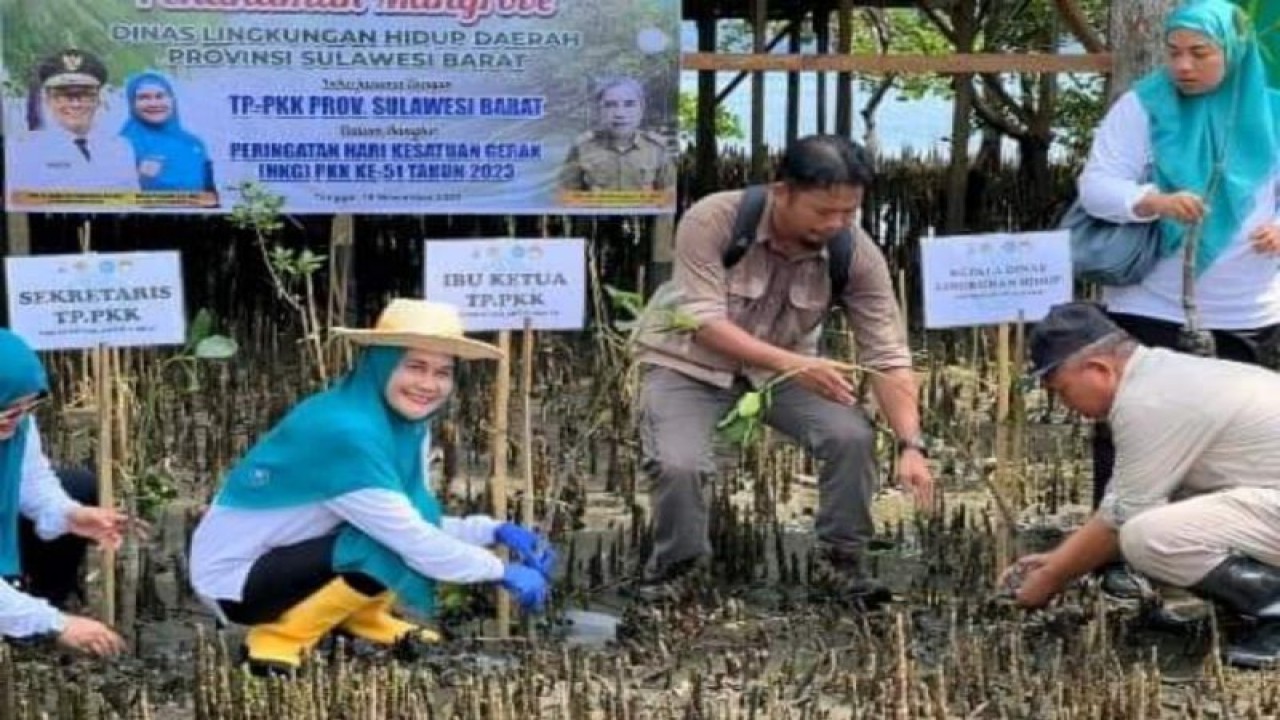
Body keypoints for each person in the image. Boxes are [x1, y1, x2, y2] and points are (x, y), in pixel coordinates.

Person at [631, 134, 933, 603]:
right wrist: (795, 362)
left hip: (780, 376)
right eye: (823, 211)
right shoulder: (713, 219)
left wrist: (910, 444)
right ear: (782, 192)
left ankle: (841, 564)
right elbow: (701, 321)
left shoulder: (855, 252)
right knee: (679, 463)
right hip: (688, 364)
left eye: (848, 213)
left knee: (851, 436)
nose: (835, 224)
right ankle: (677, 571)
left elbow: (887, 354)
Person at [189, 300, 555, 674]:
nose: (428, 385)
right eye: (415, 367)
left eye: (443, 372)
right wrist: (499, 571)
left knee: (382, 537)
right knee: (383, 546)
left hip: (287, 556)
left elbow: (410, 515)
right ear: (381, 364)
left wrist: (492, 531)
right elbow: (411, 539)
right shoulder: (347, 433)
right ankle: (278, 638)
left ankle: (359, 617)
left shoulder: (400, 425)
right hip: (235, 584)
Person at [1074, 0, 1280, 596]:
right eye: (1174, 53)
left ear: (1233, 53)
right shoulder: (1143, 104)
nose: (1183, 66)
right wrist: (1152, 201)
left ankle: (1222, 557)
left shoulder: (1271, 106)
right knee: (1129, 425)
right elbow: (1096, 186)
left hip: (1249, 306)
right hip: (1150, 299)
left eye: (1200, 53)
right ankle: (1114, 557)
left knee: (1237, 437)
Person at [1004, 301, 1280, 669]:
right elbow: (1123, 500)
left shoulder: (1149, 401)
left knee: (1145, 535)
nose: (1065, 405)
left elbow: (1121, 519)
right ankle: (1247, 610)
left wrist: (1051, 578)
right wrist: (1057, 559)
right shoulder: (1163, 376)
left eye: (1063, 390)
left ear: (1098, 369)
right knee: (1167, 508)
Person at [0, 329, 136, 657]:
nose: (17, 421)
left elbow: (33, 481)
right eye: (8, 410)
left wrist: (71, 515)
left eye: (28, 408)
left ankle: (33, 600)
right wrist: (55, 623)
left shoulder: (19, 426)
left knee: (78, 485)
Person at [10, 49, 139, 193]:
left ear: (98, 99)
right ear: (48, 99)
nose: (75, 104)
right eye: (63, 96)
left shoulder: (121, 148)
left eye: (85, 95)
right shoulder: (23, 151)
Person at [559, 77, 674, 193]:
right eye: (610, 105)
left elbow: (669, 195)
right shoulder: (582, 147)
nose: (620, 114)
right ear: (599, 111)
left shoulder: (657, 148)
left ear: (641, 110)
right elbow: (566, 194)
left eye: (629, 104)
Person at [119, 71, 216, 194]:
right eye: (144, 97)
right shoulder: (121, 146)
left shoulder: (194, 144)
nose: (153, 104)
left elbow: (210, 195)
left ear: (172, 100)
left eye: (160, 96)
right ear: (132, 104)